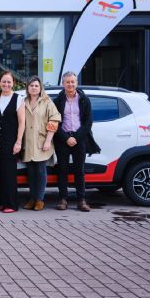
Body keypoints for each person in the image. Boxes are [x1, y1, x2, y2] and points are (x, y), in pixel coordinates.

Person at [53, 72, 100, 212]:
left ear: (76, 82)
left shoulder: (85, 100)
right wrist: (66, 138)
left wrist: (76, 137)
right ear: (63, 84)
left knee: (79, 171)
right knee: (62, 170)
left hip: (80, 139)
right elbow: (55, 122)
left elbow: (88, 122)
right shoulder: (57, 101)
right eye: (67, 82)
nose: (70, 84)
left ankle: (81, 200)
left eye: (73, 82)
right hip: (63, 139)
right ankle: (63, 199)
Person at [22, 76, 61, 212]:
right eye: (31, 85)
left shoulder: (47, 102)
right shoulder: (24, 101)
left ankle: (39, 199)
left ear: (40, 88)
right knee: (31, 173)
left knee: (40, 172)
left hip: (42, 142)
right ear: (28, 88)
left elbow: (54, 120)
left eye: (36, 86)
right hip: (28, 143)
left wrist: (48, 140)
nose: (34, 88)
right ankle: (32, 198)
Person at [0, 71, 25, 213]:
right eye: (4, 81)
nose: (6, 84)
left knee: (9, 174)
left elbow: (22, 123)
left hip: (10, 142)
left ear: (13, 83)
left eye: (9, 82)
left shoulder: (18, 99)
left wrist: (18, 142)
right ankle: (2, 202)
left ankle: (11, 204)